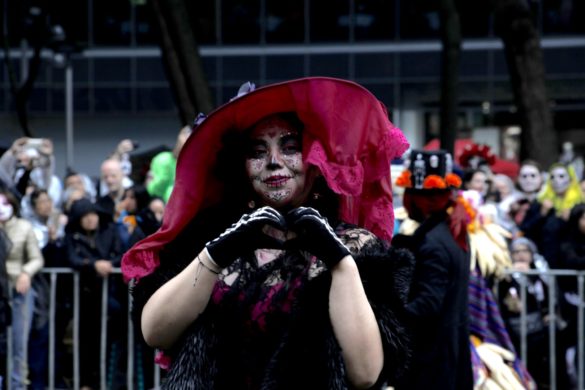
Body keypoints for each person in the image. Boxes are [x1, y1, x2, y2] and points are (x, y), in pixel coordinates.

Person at [122, 77, 414, 389]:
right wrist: (215, 254)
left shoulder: (356, 246)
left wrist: (339, 262)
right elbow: (155, 332)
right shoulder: (205, 239)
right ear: (242, 168)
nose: (274, 162)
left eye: (290, 147)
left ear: (315, 162)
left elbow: (366, 373)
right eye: (258, 151)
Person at [392, 149, 473, 390]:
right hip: (450, 350)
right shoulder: (453, 231)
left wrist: (388, 316)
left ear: (417, 198)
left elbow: (428, 303)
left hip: (433, 360)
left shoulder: (434, 243)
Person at [0, 187, 44, 390]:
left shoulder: (24, 227)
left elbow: (37, 258)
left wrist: (26, 272)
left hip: (19, 292)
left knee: (19, 344)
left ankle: (18, 385)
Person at [145, 125, 192, 203]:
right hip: (158, 206)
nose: (185, 139)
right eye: (184, 134)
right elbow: (150, 188)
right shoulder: (161, 158)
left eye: (189, 137)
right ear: (179, 135)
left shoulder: (193, 167)